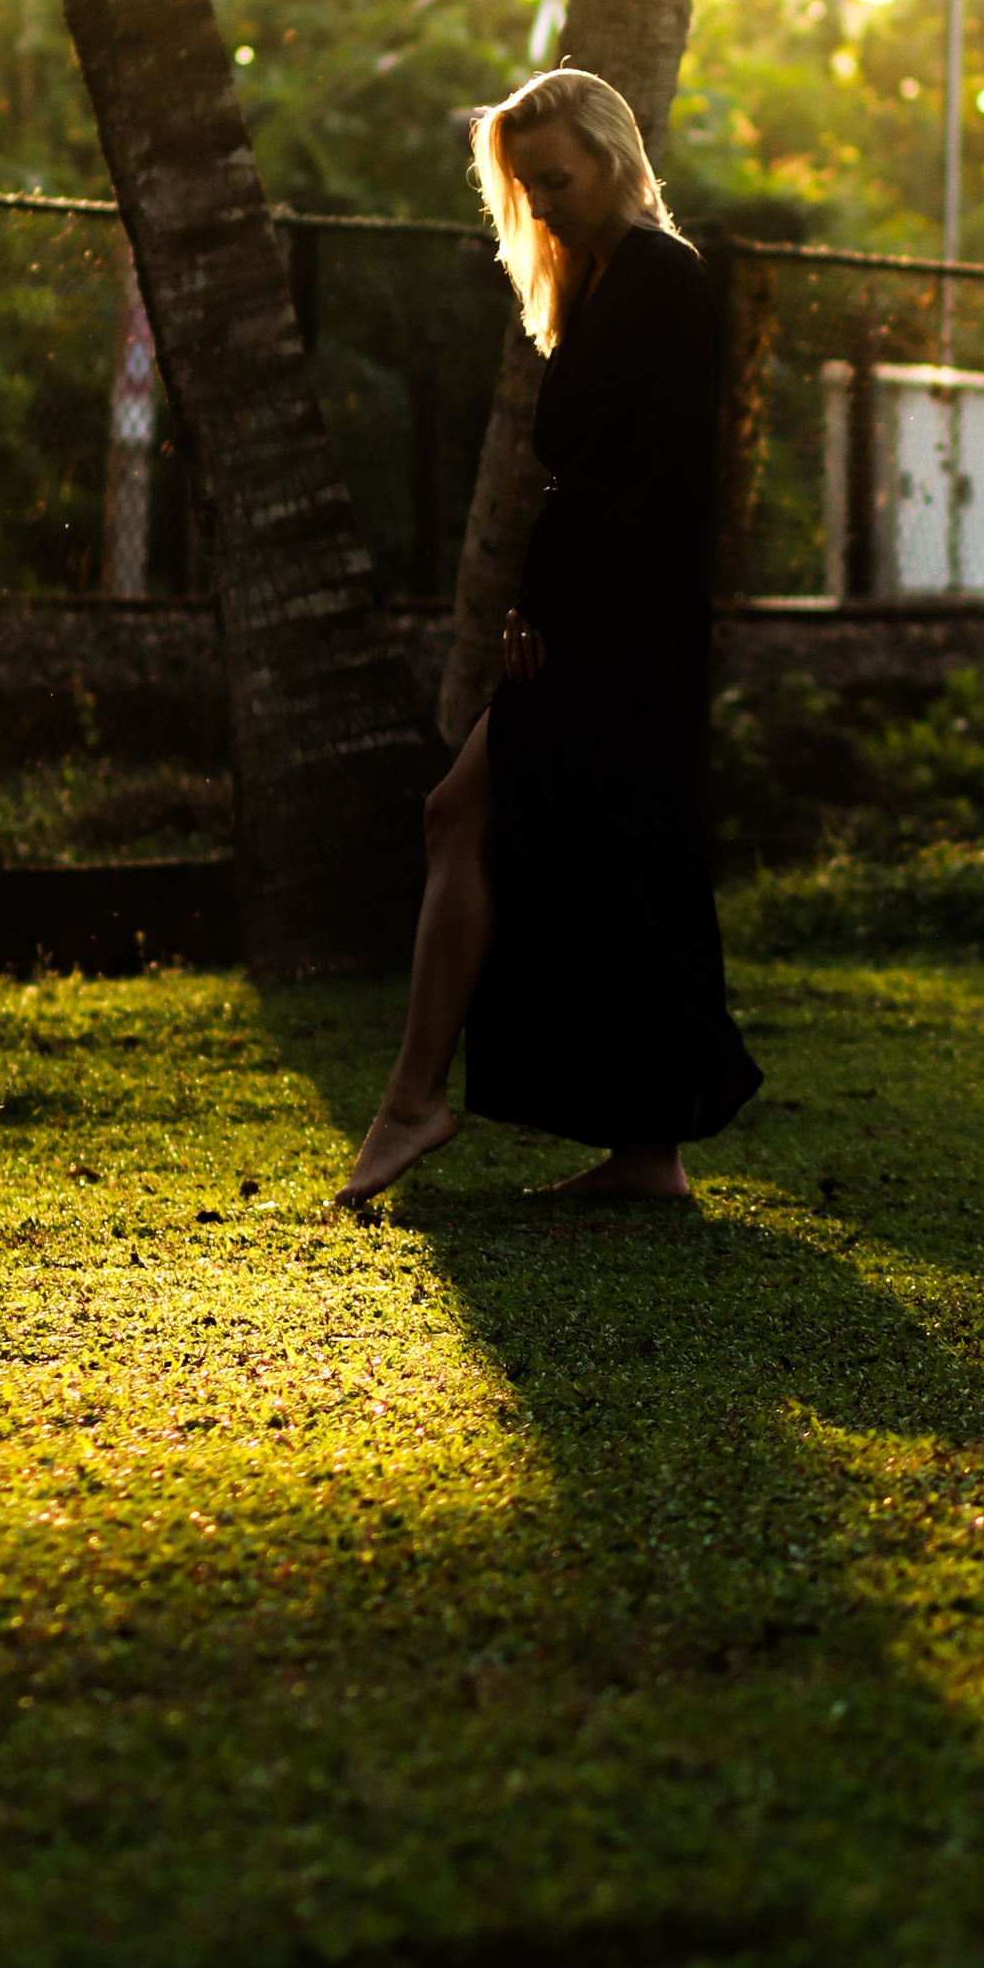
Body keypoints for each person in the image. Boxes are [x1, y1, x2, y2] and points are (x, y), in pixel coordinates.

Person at [338, 66, 761, 1206]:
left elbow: (637, 482)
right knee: (606, 857)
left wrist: (552, 610)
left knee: (472, 816)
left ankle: (414, 1104)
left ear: (617, 159)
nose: (544, 202)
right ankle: (644, 1153)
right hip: (604, 619)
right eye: (527, 186)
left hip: (612, 628)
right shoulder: (614, 278)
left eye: (558, 178)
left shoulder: (660, 278)